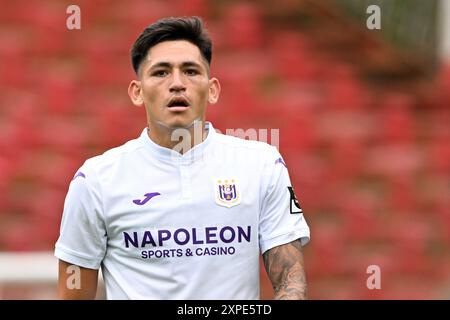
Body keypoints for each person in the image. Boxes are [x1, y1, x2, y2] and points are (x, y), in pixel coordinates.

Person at [55, 16, 310, 300]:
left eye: (190, 71)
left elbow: (291, 282)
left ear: (212, 89)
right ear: (137, 92)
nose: (177, 83)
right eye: (161, 72)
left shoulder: (261, 165)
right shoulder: (96, 180)